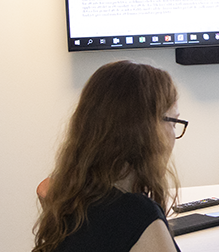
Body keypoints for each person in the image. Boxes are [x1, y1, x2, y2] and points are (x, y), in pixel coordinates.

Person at [33, 61, 184, 252]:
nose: (174, 134)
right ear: (147, 129)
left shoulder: (70, 200)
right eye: (173, 122)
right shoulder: (136, 216)